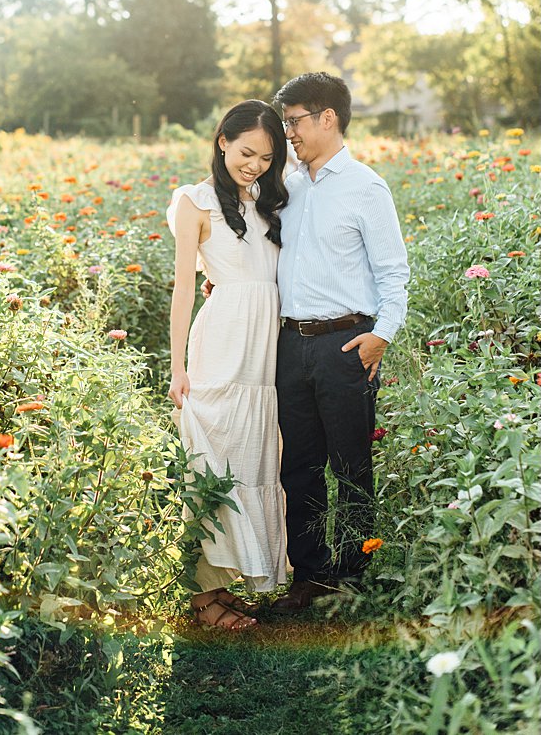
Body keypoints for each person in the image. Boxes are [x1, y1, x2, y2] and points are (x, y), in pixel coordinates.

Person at [268, 72, 410, 612]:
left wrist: (380, 337)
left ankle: (354, 575)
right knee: (298, 465)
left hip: (346, 343)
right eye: (286, 123)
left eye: (295, 121)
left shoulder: (366, 188)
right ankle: (310, 574)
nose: (289, 133)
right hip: (289, 343)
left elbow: (394, 274)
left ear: (329, 118)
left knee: (351, 465)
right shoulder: (287, 187)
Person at [166, 99, 290, 631]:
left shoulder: (267, 200)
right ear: (222, 142)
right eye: (246, 152)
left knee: (251, 457)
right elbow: (184, 288)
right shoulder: (196, 202)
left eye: (265, 157)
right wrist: (176, 368)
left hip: (265, 347)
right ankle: (201, 595)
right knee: (213, 456)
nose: (255, 165)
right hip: (221, 341)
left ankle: (230, 579)